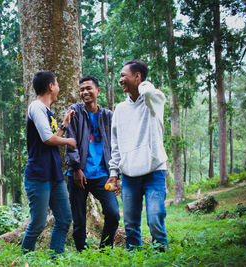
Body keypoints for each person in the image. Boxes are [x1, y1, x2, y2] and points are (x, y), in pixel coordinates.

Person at [107, 60, 168, 251]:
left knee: (155, 218)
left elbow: (149, 92)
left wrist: (142, 85)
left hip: (154, 172)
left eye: (123, 75)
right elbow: (115, 144)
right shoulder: (120, 109)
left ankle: (161, 254)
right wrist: (114, 172)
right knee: (130, 224)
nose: (120, 80)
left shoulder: (154, 102)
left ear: (138, 77)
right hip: (130, 176)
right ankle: (135, 258)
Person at [21, 70, 76, 255]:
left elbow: (51, 137)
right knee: (38, 223)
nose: (59, 88)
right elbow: (46, 139)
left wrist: (64, 125)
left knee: (64, 218)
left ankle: (55, 258)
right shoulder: (36, 107)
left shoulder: (47, 112)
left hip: (54, 174)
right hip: (38, 175)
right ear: (50, 86)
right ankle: (24, 258)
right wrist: (69, 141)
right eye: (57, 83)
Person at [64, 75, 119, 252]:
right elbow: (70, 140)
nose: (85, 92)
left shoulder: (108, 116)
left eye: (88, 88)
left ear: (98, 91)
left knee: (113, 213)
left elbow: (117, 144)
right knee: (78, 218)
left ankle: (104, 250)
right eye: (81, 89)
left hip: (103, 175)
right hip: (78, 175)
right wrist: (76, 169)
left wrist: (116, 173)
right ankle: (82, 252)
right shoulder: (75, 112)